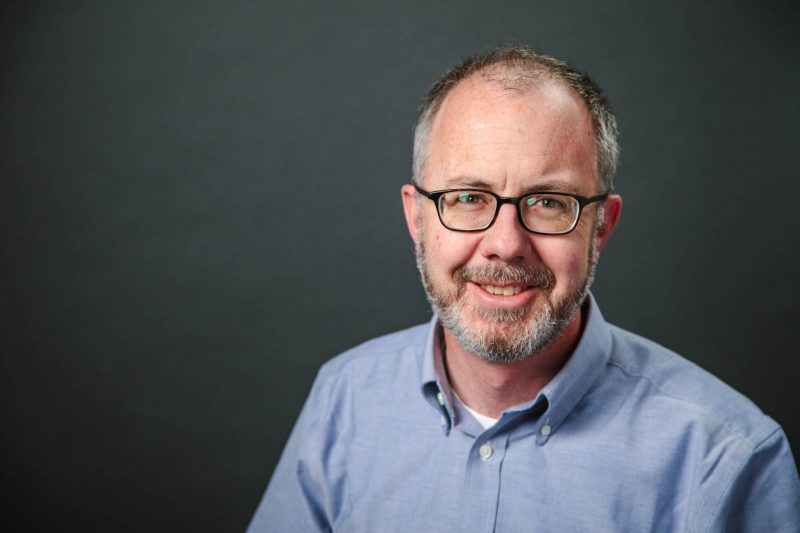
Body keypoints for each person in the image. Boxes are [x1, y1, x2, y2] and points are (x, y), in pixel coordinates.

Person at [248, 46, 800, 532]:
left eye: (548, 202)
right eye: (467, 198)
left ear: (601, 226)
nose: (505, 244)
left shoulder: (723, 458)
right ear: (417, 217)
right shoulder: (344, 398)